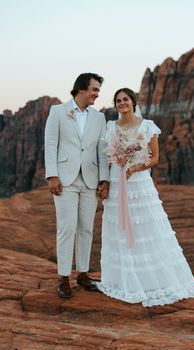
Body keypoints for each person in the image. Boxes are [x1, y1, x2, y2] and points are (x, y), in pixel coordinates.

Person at [96, 88, 194, 307]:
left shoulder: (147, 126)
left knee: (146, 228)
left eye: (125, 99)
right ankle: (124, 281)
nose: (122, 103)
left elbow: (155, 158)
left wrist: (137, 166)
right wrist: (107, 180)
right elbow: (106, 158)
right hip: (116, 181)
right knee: (118, 229)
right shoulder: (110, 127)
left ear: (133, 102)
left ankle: (152, 281)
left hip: (138, 182)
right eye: (118, 100)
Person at [45, 73, 109, 298]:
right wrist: (52, 175)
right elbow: (50, 145)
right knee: (67, 228)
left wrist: (105, 179)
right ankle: (63, 277)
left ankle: (82, 274)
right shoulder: (58, 112)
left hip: (90, 180)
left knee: (86, 229)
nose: (97, 94)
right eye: (94, 89)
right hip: (64, 180)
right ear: (81, 88)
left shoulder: (99, 118)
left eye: (98, 90)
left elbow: (102, 151)